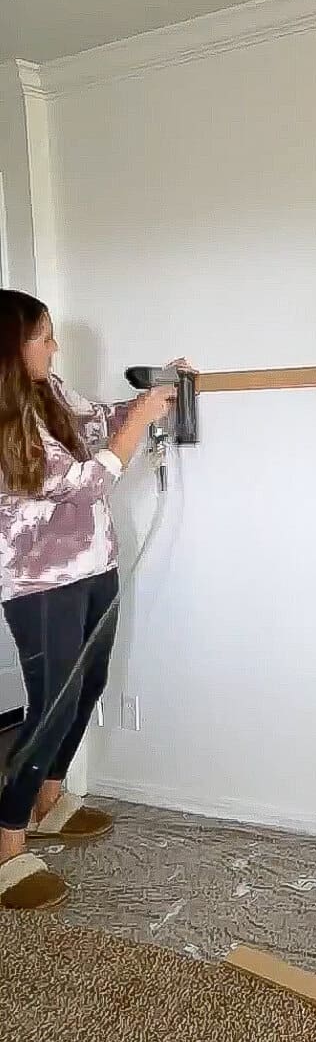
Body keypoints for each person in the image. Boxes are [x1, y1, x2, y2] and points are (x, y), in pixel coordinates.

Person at [0, 289, 182, 912]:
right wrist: (138, 425)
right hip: (40, 580)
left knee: (89, 683)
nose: (54, 346)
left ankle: (49, 800)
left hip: (94, 561)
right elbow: (83, 484)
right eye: (42, 336)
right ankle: (7, 843)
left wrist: (148, 400)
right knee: (51, 702)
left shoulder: (48, 390)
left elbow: (95, 421)